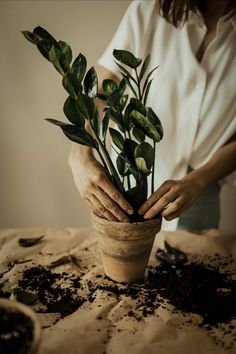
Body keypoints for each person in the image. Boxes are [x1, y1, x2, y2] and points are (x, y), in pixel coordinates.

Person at [69, 0, 236, 232]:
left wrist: (198, 181)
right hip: (128, 178)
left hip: (199, 189)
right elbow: (102, 88)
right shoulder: (149, 9)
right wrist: (79, 154)